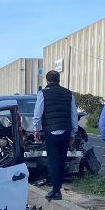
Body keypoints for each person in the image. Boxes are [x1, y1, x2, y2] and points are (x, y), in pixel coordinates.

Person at [32, 70, 78, 201]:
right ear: (59, 80)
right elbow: (73, 114)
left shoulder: (43, 93)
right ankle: (58, 189)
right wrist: (73, 133)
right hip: (65, 131)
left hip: (50, 132)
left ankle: (56, 191)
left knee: (53, 161)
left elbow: (37, 114)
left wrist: (37, 129)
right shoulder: (69, 94)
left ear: (47, 81)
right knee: (62, 161)